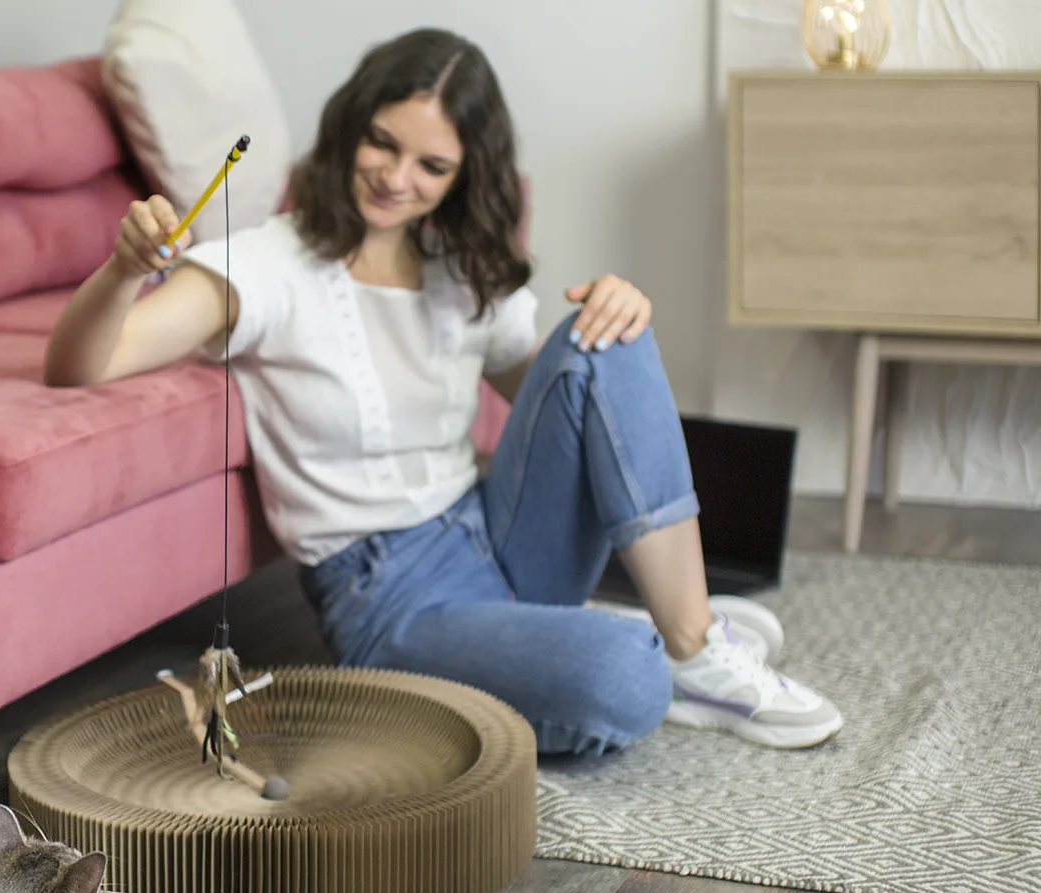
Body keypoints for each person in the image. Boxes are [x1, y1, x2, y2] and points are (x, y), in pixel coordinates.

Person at [45, 27, 841, 754]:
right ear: (351, 127)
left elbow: (569, 396)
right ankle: (659, 643)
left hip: (495, 531)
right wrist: (122, 271)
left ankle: (692, 642)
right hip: (387, 596)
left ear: (465, 175)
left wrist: (615, 326)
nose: (395, 179)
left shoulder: (455, 264)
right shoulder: (262, 263)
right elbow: (83, 363)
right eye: (382, 145)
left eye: (432, 166)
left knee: (610, 331)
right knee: (624, 681)